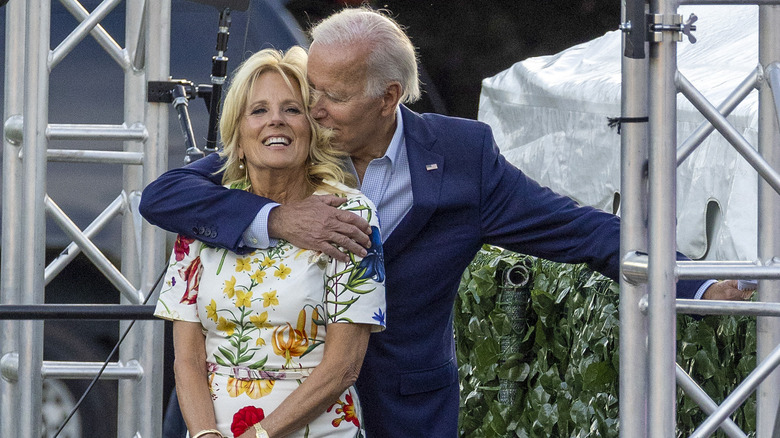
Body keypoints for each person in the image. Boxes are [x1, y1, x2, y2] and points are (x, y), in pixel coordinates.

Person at [141, 7, 751, 436]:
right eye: (312, 90)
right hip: (242, 413)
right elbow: (165, 197)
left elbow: (581, 231)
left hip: (396, 407)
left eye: (334, 96)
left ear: (391, 96)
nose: (315, 110)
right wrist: (277, 218)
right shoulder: (289, 143)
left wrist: (691, 281)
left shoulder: (463, 159)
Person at [152, 46, 386, 438]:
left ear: (311, 130)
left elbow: (344, 365)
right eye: (258, 110)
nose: (275, 120)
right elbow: (187, 360)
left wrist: (260, 436)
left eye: (292, 109)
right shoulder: (203, 216)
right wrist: (206, 435)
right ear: (238, 138)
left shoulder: (348, 214)